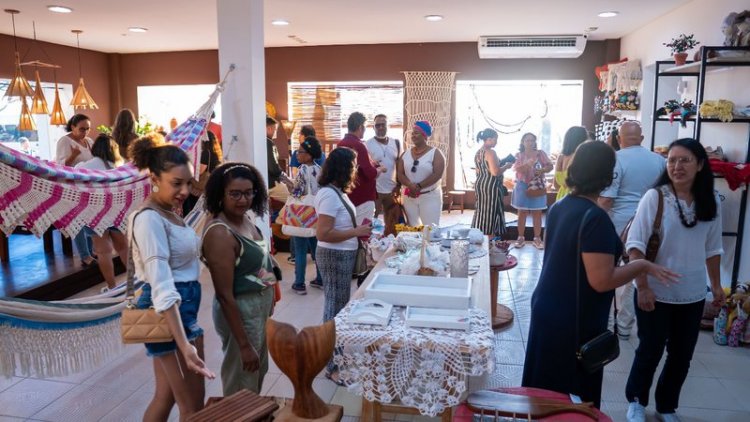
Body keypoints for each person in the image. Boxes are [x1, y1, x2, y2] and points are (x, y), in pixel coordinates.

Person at [521, 141, 677, 409]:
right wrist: (642, 266)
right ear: (607, 175)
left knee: (543, 395)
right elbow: (602, 280)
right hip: (574, 319)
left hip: (548, 308)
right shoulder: (595, 219)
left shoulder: (560, 206)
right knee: (571, 400)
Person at [624, 139, 725, 422]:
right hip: (653, 291)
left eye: (685, 160)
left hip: (692, 294)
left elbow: (713, 248)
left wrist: (715, 285)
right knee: (649, 350)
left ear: (701, 165)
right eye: (671, 160)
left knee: (682, 356)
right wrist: (642, 287)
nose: (676, 166)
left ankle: (666, 406)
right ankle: (636, 401)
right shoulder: (655, 198)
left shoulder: (712, 202)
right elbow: (635, 246)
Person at [128, 133, 215, 420]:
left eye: (188, 183)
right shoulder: (150, 218)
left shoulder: (171, 214)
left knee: (165, 398)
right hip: (168, 312)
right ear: (154, 179)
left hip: (181, 310)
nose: (184, 191)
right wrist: (183, 343)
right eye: (176, 183)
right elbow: (162, 284)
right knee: (191, 407)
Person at [201, 162, 277, 396]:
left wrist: (271, 292)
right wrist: (243, 345)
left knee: (257, 371)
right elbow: (224, 295)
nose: (243, 200)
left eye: (248, 193)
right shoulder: (220, 233)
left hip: (257, 308)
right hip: (240, 311)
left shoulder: (245, 221)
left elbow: (259, 264)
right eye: (234, 193)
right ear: (221, 194)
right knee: (242, 378)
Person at [599, 121, 666, 340]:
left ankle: (606, 325)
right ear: (642, 138)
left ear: (619, 139)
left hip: (619, 223)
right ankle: (625, 326)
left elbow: (607, 199)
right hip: (650, 224)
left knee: (609, 273)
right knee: (635, 272)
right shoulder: (659, 160)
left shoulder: (616, 159)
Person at [314, 147, 373, 385]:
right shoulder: (329, 195)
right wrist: (356, 231)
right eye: (353, 165)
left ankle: (336, 359)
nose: (355, 169)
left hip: (341, 254)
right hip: (334, 255)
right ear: (343, 168)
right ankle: (331, 366)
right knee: (334, 310)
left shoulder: (336, 192)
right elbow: (324, 233)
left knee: (338, 307)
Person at [75, 134, 127, 290]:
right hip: (116, 212)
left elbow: (74, 185)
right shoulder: (120, 166)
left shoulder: (83, 167)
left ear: (95, 148)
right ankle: (135, 284)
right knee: (123, 248)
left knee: (103, 252)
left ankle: (112, 287)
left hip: (93, 213)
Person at [282, 136, 324, 294]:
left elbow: (297, 192)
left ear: (309, 154)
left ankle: (299, 283)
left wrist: (287, 182)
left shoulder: (302, 170)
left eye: (300, 152)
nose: (297, 155)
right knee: (316, 248)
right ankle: (320, 279)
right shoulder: (319, 169)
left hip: (301, 215)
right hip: (315, 214)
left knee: (299, 249)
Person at [56, 114, 96, 266]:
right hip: (72, 188)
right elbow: (59, 168)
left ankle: (91, 252)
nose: (85, 132)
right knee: (78, 221)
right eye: (81, 129)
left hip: (89, 187)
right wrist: (73, 156)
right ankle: (85, 255)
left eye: (87, 129)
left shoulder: (89, 141)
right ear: (72, 127)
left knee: (90, 219)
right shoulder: (64, 141)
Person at [396, 121, 445, 227]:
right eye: (412, 133)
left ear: (424, 135)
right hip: (409, 197)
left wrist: (418, 186)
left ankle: (429, 244)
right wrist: (410, 185)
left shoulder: (435, 153)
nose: (413, 135)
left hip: (429, 196)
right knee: (413, 228)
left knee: (430, 228)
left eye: (416, 133)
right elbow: (400, 174)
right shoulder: (405, 154)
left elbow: (437, 175)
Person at [511, 132, 552, 249]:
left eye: (532, 140)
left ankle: (537, 238)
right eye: (527, 140)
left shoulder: (540, 154)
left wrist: (542, 170)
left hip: (537, 186)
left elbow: (550, 166)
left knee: (537, 212)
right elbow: (517, 169)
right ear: (522, 142)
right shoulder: (518, 155)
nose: (529, 142)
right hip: (522, 186)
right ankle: (520, 237)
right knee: (522, 212)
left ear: (535, 142)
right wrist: (528, 164)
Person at [337, 112, 380, 224]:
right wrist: (379, 169)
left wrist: (372, 164)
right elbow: (369, 173)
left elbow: (356, 167)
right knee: (363, 233)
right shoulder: (359, 145)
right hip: (362, 196)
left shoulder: (341, 143)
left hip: (347, 195)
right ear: (360, 127)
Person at [471, 128, 511, 236]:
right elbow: (495, 172)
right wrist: (506, 166)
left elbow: (479, 170)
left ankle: (477, 235)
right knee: (490, 211)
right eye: (495, 139)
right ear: (489, 139)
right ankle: (488, 237)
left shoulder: (479, 152)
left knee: (481, 210)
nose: (496, 142)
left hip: (480, 184)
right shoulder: (490, 152)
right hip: (490, 186)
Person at [366, 114, 402, 236]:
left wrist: (399, 185)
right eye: (377, 125)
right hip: (374, 190)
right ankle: (371, 250)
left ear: (388, 126)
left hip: (392, 190)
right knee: (372, 222)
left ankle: (390, 249)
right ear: (373, 127)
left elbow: (400, 165)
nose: (380, 127)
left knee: (392, 223)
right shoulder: (367, 144)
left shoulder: (396, 143)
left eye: (383, 124)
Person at [183, 130, 223, 215]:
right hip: (207, 186)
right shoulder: (214, 154)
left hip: (200, 186)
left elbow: (199, 171)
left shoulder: (206, 153)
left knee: (193, 210)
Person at [553, 126, 588, 201]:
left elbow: (555, 184)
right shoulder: (579, 156)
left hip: (560, 197)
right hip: (576, 198)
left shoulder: (561, 157)